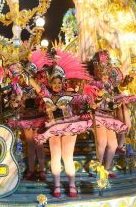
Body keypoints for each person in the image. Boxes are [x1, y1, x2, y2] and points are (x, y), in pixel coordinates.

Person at [21, 49, 92, 198]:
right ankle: (57, 186)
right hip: (53, 127)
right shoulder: (46, 94)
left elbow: (84, 99)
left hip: (69, 126)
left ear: (63, 83)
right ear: (50, 83)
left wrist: (84, 88)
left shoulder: (69, 95)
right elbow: (35, 86)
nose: (57, 85)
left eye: (59, 82)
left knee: (67, 157)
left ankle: (72, 185)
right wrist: (25, 74)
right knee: (55, 156)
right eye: (54, 83)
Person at [87, 50, 136, 178]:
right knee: (102, 142)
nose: (105, 76)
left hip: (108, 116)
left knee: (113, 144)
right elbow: (91, 103)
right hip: (97, 115)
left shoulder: (110, 85)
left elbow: (111, 101)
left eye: (107, 73)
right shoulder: (92, 84)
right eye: (102, 73)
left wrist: (117, 102)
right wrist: (99, 97)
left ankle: (106, 169)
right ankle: (98, 167)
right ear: (97, 72)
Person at [8, 49, 52, 181]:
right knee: (30, 143)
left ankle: (42, 169)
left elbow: (45, 96)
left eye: (28, 73)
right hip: (25, 117)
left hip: (38, 117)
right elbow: (13, 101)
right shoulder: (18, 87)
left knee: (38, 143)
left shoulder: (38, 85)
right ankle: (32, 170)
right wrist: (15, 102)